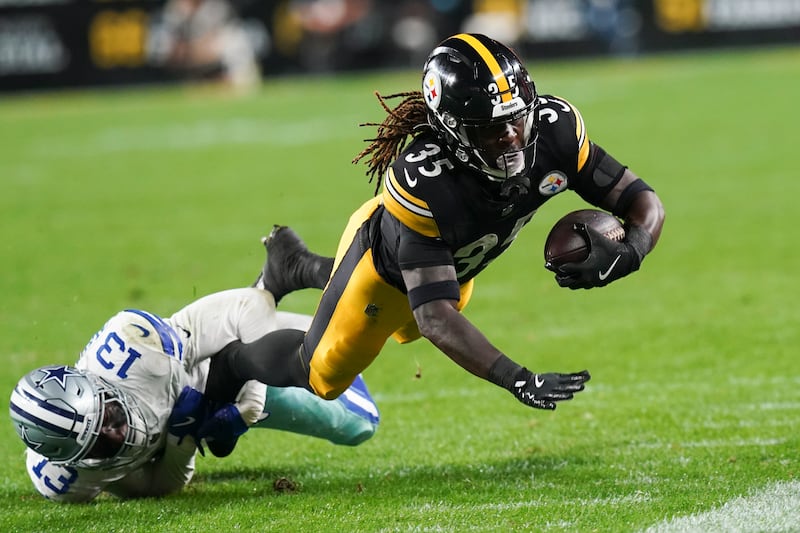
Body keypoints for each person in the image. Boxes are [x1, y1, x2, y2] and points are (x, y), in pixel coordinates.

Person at [207, 33, 665, 414]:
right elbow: (434, 317)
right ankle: (231, 363)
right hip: (382, 272)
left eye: (516, 119)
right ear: (452, 131)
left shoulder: (556, 132)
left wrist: (635, 248)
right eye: (491, 128)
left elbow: (641, 199)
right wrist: (519, 378)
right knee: (321, 373)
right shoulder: (426, 186)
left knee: (409, 322)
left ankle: (297, 265)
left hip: (452, 268)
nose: (511, 137)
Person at [9, 284, 379, 503]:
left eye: (108, 418)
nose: (116, 434)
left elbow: (246, 304)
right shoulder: (66, 481)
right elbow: (157, 488)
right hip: (195, 410)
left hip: (217, 369)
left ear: (101, 389)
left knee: (357, 424)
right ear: (74, 459)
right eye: (100, 444)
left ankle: (289, 299)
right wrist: (180, 441)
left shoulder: (135, 350)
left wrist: (247, 402)